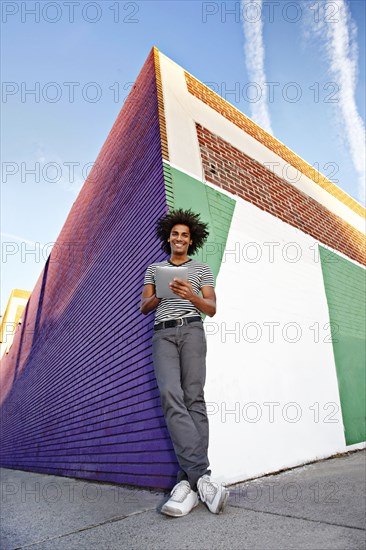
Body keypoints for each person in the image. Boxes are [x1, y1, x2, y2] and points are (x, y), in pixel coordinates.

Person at [140, 208, 229, 517]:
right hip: (162, 335)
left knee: (194, 398)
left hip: (192, 329)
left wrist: (190, 294)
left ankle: (186, 485)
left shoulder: (201, 269)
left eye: (185, 235)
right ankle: (202, 478)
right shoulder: (154, 268)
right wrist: (163, 295)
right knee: (170, 395)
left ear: (191, 241)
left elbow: (212, 307)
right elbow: (144, 305)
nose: (179, 238)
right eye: (175, 234)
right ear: (169, 238)